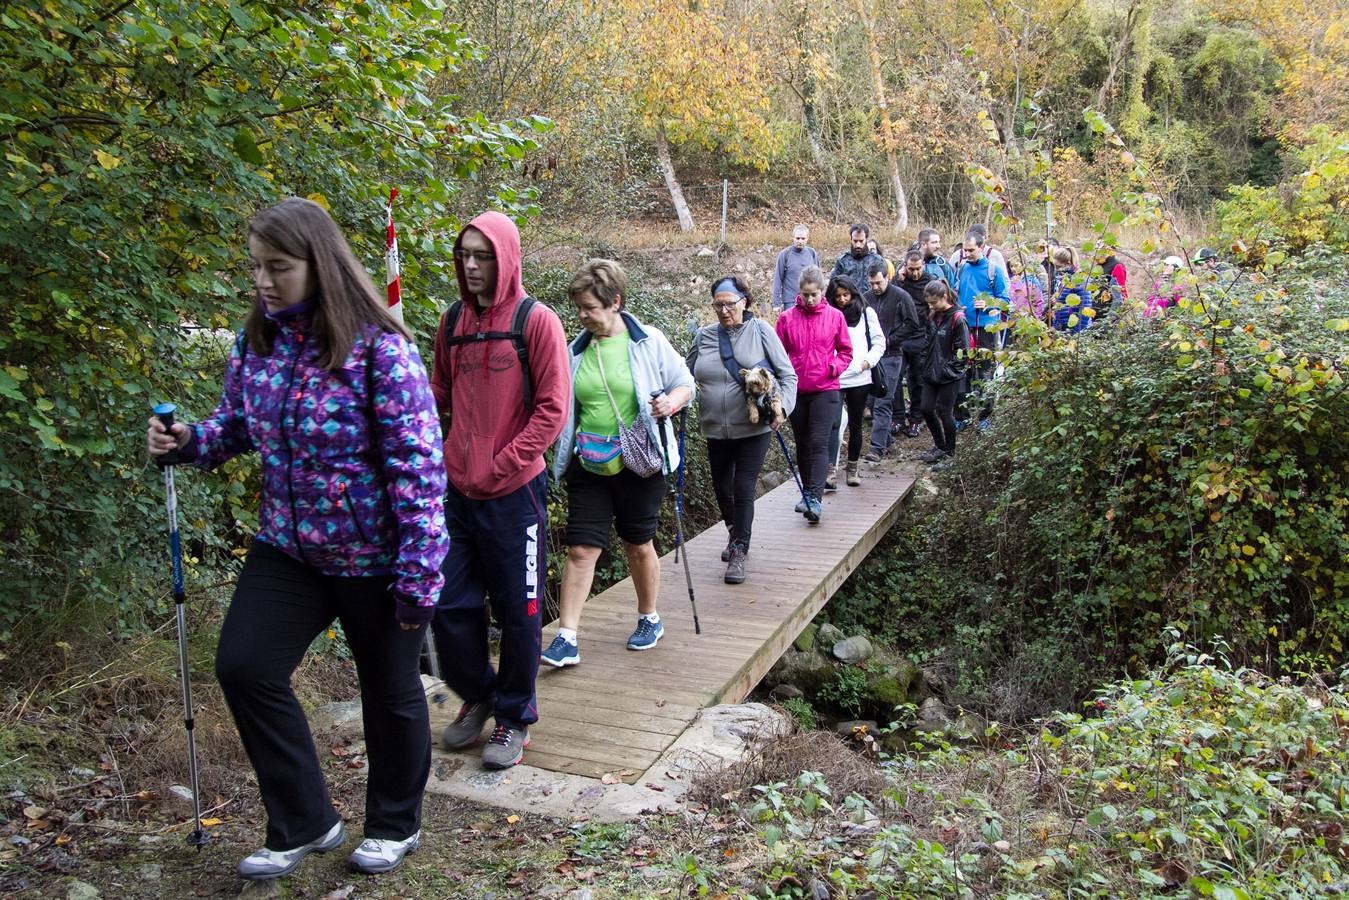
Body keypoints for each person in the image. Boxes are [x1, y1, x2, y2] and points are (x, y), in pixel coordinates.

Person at [146, 197, 448, 879]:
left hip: (374, 555)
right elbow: (233, 429)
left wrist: (419, 573)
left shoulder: (380, 348)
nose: (262, 280)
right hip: (288, 546)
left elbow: (419, 468)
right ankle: (305, 820)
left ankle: (394, 824)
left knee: (389, 690)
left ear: (321, 264)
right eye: (255, 267)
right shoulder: (258, 343)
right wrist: (186, 441)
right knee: (245, 667)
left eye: (277, 267)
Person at [430, 211, 569, 771]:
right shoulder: (452, 323)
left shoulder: (536, 322)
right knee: (446, 603)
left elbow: (553, 410)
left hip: (515, 494)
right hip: (458, 493)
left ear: (506, 257)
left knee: (520, 609)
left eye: (482, 255)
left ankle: (514, 717)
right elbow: (437, 392)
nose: (471, 265)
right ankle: (480, 693)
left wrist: (505, 461)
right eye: (464, 254)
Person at [542, 260, 695, 666]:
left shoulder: (649, 341)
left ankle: (650, 617)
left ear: (615, 302)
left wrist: (670, 402)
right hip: (588, 461)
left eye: (589, 307)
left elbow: (686, 384)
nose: (582, 315)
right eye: (578, 307)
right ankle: (567, 637)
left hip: (639, 460)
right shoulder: (574, 350)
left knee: (637, 543)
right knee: (580, 549)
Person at [687, 275, 798, 584]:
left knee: (742, 486)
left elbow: (788, 375)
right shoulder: (704, 337)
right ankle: (735, 533)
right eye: (718, 305)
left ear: (744, 302)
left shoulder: (761, 330)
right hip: (714, 428)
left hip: (753, 427)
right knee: (722, 488)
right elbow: (684, 375)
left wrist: (783, 409)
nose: (724, 311)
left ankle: (738, 550)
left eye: (730, 304)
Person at [776, 265, 851, 523]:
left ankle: (816, 499)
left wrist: (834, 367)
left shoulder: (834, 317)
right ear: (800, 292)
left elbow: (846, 352)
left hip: (826, 389)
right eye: (805, 295)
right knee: (803, 443)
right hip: (796, 390)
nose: (809, 300)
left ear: (822, 292)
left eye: (814, 295)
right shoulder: (787, 318)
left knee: (819, 443)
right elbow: (777, 356)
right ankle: (807, 492)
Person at [825, 275, 884, 487]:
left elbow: (879, 342)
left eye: (845, 295)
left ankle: (852, 468)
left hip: (860, 377)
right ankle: (830, 470)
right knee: (834, 423)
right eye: (837, 296)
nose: (841, 300)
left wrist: (866, 363)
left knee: (856, 424)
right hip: (835, 377)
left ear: (853, 293)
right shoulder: (828, 315)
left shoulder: (866, 313)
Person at [865, 258, 923, 458]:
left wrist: (891, 339)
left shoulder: (901, 296)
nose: (875, 287)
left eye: (878, 283)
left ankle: (876, 448)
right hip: (871, 356)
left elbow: (913, 323)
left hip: (892, 354)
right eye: (871, 283)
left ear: (887, 278)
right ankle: (886, 440)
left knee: (883, 400)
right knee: (871, 400)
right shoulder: (865, 298)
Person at [954, 230, 1009, 427]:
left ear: (981, 247)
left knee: (986, 373)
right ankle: (961, 416)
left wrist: (988, 304)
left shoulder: (993, 270)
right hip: (964, 327)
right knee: (962, 371)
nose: (967, 254)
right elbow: (955, 291)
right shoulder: (961, 268)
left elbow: (1005, 300)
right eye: (965, 250)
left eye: (971, 250)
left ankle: (985, 417)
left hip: (987, 329)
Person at [916, 279, 970, 464]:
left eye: (934, 302)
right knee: (926, 408)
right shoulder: (933, 316)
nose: (931, 306)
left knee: (945, 412)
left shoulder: (958, 319)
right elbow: (926, 343)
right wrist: (924, 364)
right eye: (929, 303)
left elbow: (963, 353)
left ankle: (950, 451)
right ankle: (939, 445)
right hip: (931, 371)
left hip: (949, 375)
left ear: (944, 297)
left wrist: (947, 371)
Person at [771, 224, 820, 310]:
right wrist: (776, 303)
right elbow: (778, 279)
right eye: (797, 238)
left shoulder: (812, 253)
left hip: (809, 299)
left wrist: (820, 297)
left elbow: (818, 278)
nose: (800, 241)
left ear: (807, 239)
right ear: (793, 238)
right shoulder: (785, 254)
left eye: (803, 238)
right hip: (791, 301)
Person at [1049, 247, 1092, 332]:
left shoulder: (1079, 279)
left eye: (1059, 266)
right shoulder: (1062, 278)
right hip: (1061, 327)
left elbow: (1085, 308)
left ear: (1068, 263)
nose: (1057, 269)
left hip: (1074, 329)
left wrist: (1076, 333)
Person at [1008, 254, 1046, 320]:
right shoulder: (1011, 281)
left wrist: (1037, 317)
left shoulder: (1032, 280)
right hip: (1016, 318)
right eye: (1011, 266)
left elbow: (1038, 300)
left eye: (1016, 265)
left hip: (1030, 318)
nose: (1013, 268)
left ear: (1023, 265)